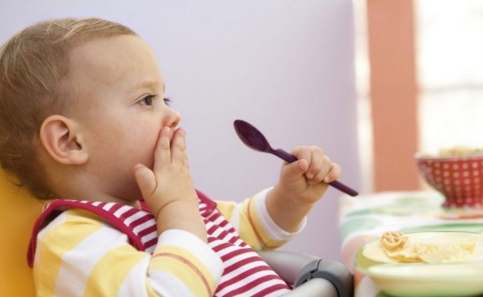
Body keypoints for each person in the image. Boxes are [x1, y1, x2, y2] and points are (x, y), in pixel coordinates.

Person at [0, 17, 342, 297]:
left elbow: (249, 228)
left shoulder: (165, 204)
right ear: (70, 141)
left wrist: (291, 198)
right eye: (146, 100)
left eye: (167, 98)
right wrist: (178, 212)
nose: (172, 115)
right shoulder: (71, 241)